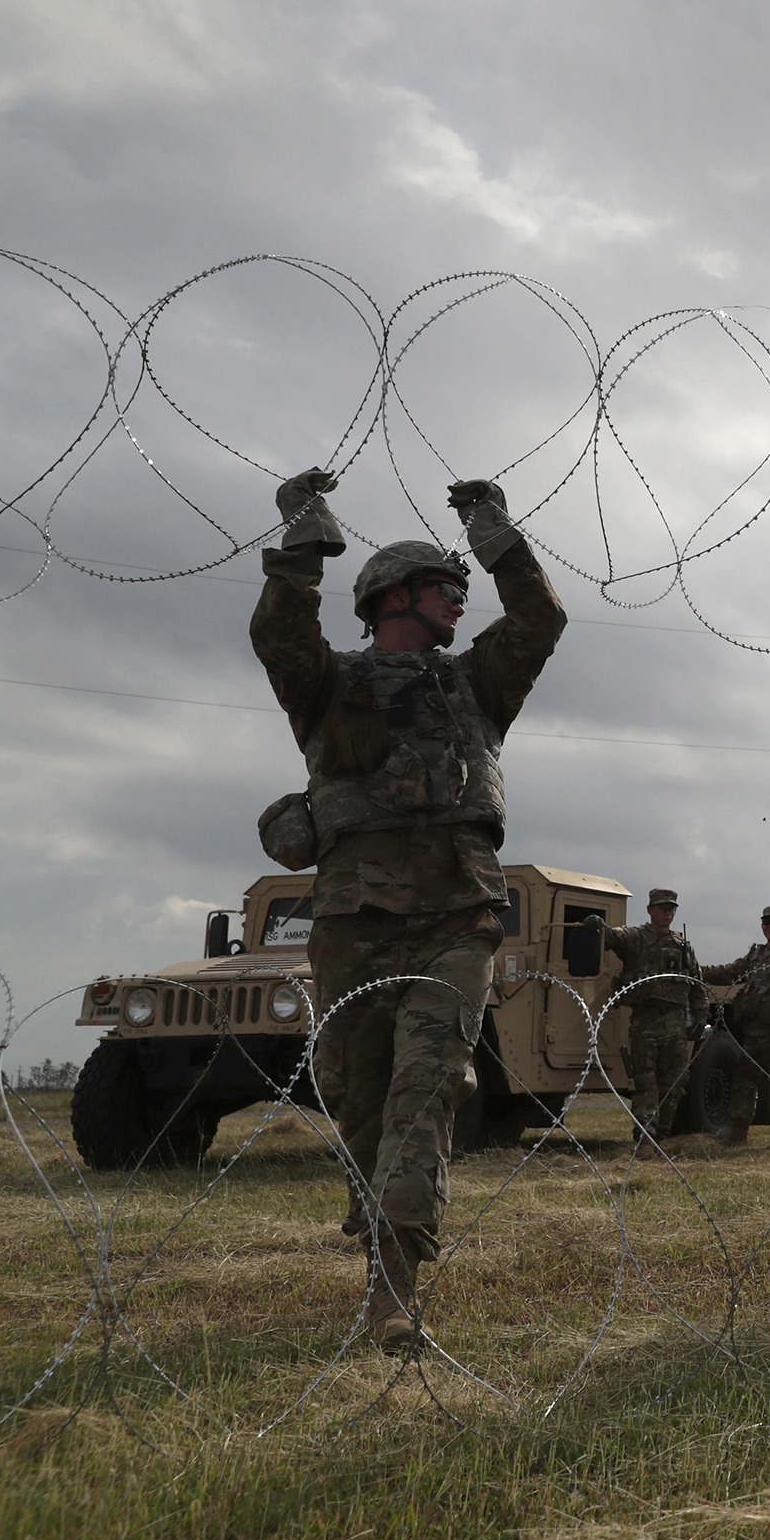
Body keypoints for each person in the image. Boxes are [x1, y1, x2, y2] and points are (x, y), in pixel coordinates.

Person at [251, 467, 565, 1354]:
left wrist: (490, 530)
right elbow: (279, 631)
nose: (460, 599)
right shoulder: (328, 683)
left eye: (463, 586)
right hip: (353, 917)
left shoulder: (476, 683)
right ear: (393, 595)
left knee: (427, 1089)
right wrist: (304, 538)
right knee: (359, 1101)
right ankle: (376, 1251)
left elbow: (539, 618)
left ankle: (394, 1289)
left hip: (456, 914)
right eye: (443, 585)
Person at [587, 889, 706, 1156]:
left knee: (674, 1083)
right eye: (662, 907)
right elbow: (613, 938)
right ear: (650, 910)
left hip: (675, 1022)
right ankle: (645, 1138)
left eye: (672, 908)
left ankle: (660, 1136)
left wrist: (700, 1018)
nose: (668, 912)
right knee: (646, 1082)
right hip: (646, 1020)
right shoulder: (636, 938)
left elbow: (696, 984)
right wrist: (599, 926)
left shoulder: (682, 946)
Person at [702, 905, 770, 1148]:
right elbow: (729, 973)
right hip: (754, 1033)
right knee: (743, 1082)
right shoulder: (757, 956)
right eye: (767, 922)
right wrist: (696, 970)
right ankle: (739, 1133)